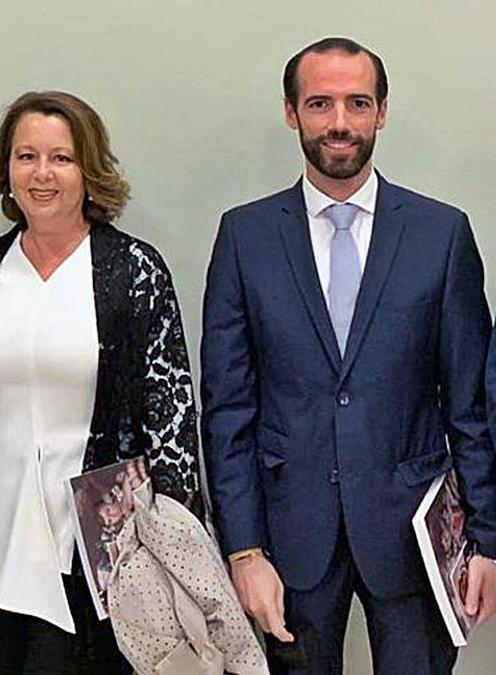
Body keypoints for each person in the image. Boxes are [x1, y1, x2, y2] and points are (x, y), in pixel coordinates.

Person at [201, 36, 496, 674]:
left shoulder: (441, 234)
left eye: (357, 103)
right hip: (288, 544)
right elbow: (227, 410)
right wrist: (244, 552)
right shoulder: (244, 236)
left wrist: (489, 539)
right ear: (291, 113)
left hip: (415, 542)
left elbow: (471, 404)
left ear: (382, 112)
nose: (340, 123)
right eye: (320, 104)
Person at [0, 90, 202, 674]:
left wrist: (177, 551)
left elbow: (172, 415)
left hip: (103, 550)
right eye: (26, 157)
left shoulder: (134, 270)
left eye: (61, 158)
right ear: (7, 170)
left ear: (89, 170)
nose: (41, 174)